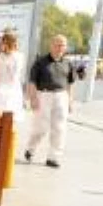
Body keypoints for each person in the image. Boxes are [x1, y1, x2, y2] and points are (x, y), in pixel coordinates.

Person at [24, 34, 75, 169]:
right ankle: (31, 148)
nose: (60, 48)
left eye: (63, 45)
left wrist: (70, 101)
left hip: (61, 96)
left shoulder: (68, 63)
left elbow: (70, 83)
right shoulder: (40, 62)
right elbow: (32, 82)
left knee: (59, 128)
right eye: (57, 44)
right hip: (43, 95)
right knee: (41, 128)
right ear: (51, 45)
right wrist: (33, 98)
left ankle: (53, 157)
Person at [0, 30, 25, 126]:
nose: (3, 44)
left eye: (5, 42)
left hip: (10, 89)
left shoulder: (18, 56)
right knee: (0, 117)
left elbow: (14, 75)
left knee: (6, 117)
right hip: (2, 88)